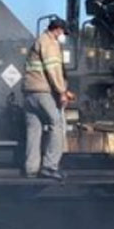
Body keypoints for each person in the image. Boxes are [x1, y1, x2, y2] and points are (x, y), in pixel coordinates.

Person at [22, 17, 75, 179]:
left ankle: (31, 168)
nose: (62, 36)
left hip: (29, 93)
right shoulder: (49, 43)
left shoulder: (38, 41)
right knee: (57, 125)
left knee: (34, 129)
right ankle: (50, 167)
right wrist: (62, 92)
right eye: (62, 32)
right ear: (57, 30)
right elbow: (53, 69)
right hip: (42, 93)